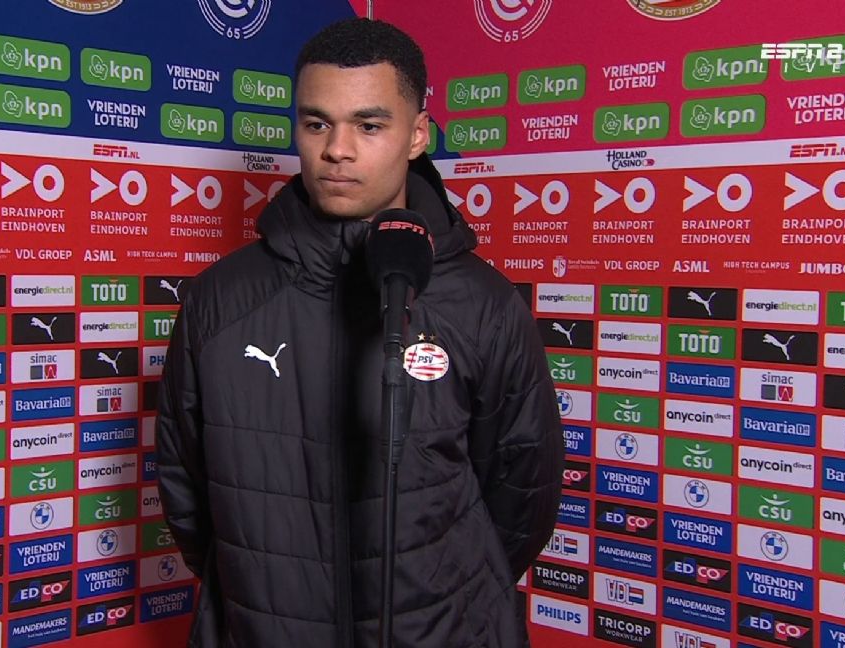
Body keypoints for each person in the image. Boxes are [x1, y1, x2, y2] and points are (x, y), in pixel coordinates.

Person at [157, 17, 564, 648]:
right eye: (317, 124)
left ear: (417, 135)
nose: (337, 150)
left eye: (369, 126)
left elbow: (521, 494)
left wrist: (439, 599)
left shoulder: (482, 302)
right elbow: (186, 487)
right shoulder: (220, 298)